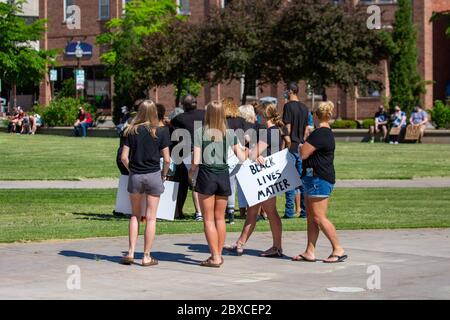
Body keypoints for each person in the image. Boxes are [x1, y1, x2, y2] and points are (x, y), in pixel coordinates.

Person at [225, 103, 289, 257]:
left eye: (259, 114)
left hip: (263, 178)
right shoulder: (276, 130)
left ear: (264, 115)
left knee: (269, 212)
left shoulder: (269, 132)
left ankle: (276, 247)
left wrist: (249, 150)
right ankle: (240, 244)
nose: (257, 117)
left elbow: (253, 154)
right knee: (253, 211)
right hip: (265, 177)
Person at [188, 100, 246, 268]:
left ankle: (215, 257)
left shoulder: (201, 132)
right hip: (223, 174)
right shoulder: (229, 133)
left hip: (207, 175)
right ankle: (218, 254)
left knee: (208, 219)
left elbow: (196, 160)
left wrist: (190, 173)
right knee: (220, 218)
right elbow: (242, 157)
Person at [293, 101, 347, 264]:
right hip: (313, 178)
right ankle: (310, 251)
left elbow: (303, 153)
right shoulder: (324, 132)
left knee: (319, 217)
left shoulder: (321, 133)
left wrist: (303, 143)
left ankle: (338, 248)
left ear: (315, 116)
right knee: (311, 217)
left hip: (319, 179)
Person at [120, 100, 171, 267]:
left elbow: (124, 158)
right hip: (153, 174)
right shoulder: (162, 131)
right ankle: (146, 256)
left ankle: (130, 252)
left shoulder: (130, 130)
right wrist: (164, 175)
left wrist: (131, 170)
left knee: (135, 215)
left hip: (136, 175)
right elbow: (167, 159)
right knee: (151, 218)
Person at [171, 95, 205, 221]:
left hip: (187, 154)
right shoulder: (205, 115)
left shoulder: (178, 119)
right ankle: (204, 211)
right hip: (208, 152)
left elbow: (176, 138)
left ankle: (179, 211)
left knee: (183, 184)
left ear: (183, 106)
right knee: (203, 183)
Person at [282, 82, 308, 219]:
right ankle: (304, 211)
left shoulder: (288, 106)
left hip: (291, 146)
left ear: (291, 91)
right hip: (301, 146)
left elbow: (288, 127)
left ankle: (289, 211)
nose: (285, 92)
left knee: (290, 180)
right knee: (302, 181)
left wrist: (285, 144)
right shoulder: (304, 108)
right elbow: (307, 129)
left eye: (286, 90)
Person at [223, 98, 247, 225]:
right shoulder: (241, 121)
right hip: (239, 153)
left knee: (228, 184)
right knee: (237, 185)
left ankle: (227, 211)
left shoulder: (222, 121)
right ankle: (237, 211)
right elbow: (247, 138)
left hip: (227, 154)